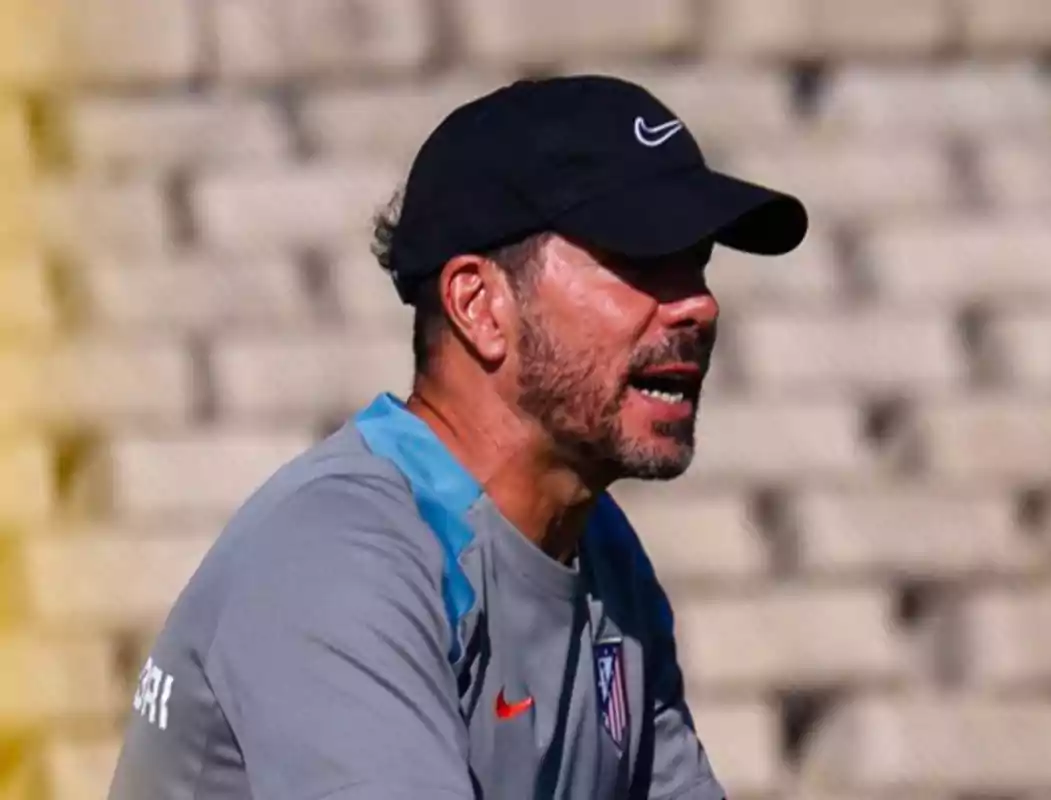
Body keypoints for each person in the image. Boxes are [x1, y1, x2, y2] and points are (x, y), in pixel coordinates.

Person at [106, 74, 808, 800]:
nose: (699, 303)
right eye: (640, 259)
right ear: (478, 305)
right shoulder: (338, 561)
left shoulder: (602, 553)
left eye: (697, 262)